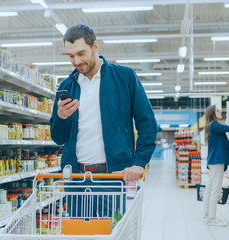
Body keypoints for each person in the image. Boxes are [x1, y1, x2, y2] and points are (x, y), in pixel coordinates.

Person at [50, 24, 158, 217]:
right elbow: (58, 137)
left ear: (95, 46)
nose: (76, 61)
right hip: (75, 178)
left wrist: (139, 162)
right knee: (79, 235)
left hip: (112, 176)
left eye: (81, 53)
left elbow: (147, 122)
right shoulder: (67, 85)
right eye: (71, 56)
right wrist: (61, 117)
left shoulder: (124, 77)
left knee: (111, 232)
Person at [202, 104, 229, 226]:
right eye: (217, 110)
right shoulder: (215, 125)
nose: (219, 111)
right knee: (216, 189)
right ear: (212, 114)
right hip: (217, 162)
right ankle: (212, 218)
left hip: (214, 161)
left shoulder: (211, 126)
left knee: (209, 188)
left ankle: (206, 215)